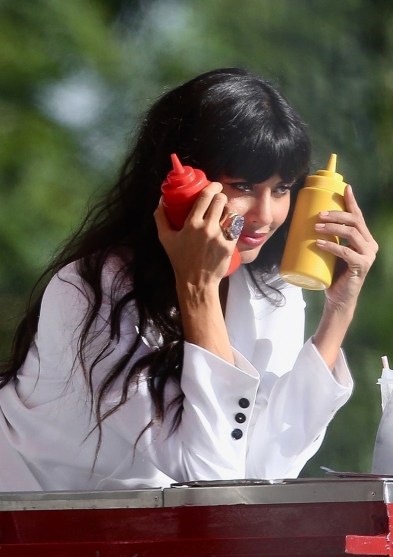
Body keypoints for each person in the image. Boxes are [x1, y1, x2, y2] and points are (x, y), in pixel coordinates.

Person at [0, 68, 378, 491]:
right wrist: (197, 288)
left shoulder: (271, 292)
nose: (265, 215)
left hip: (141, 538)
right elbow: (213, 477)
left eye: (281, 188)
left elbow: (267, 470)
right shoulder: (92, 290)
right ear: (181, 184)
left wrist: (338, 311)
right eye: (243, 185)